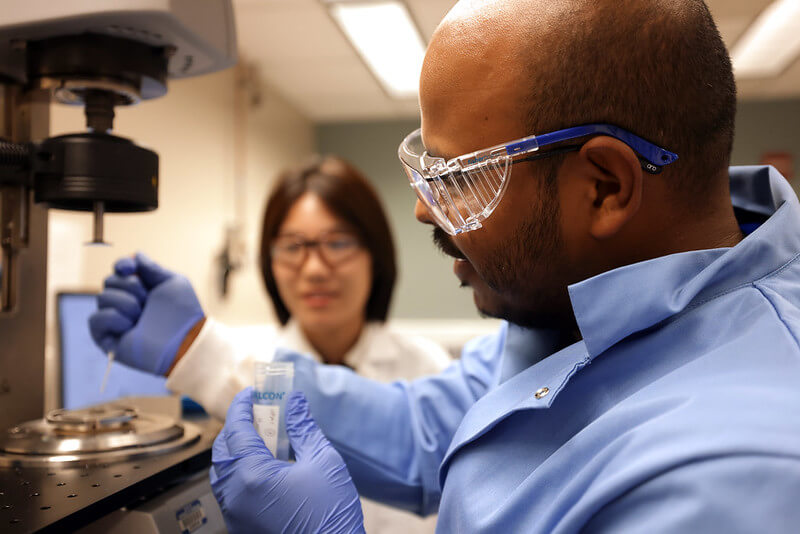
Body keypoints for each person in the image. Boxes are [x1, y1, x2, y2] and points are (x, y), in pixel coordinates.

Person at [95, 0, 800, 531]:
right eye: (427, 172)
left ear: (605, 187)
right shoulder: (579, 310)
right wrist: (201, 351)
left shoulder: (735, 472)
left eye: (461, 178)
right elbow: (429, 429)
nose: (425, 214)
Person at [89, 156, 449, 534]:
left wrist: (198, 351)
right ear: (268, 260)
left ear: (375, 254)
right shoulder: (233, 378)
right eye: (293, 247)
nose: (313, 269)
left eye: (338, 242)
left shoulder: (427, 367)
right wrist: (191, 352)